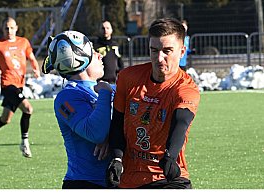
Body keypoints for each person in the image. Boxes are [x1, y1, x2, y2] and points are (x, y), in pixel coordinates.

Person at [106, 18, 200, 189]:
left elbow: (181, 122)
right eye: (154, 50)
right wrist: (117, 158)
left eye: (167, 51)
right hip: (129, 178)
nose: (159, 58)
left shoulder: (186, 88)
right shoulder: (128, 78)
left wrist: (170, 157)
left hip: (168, 176)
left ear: (182, 51)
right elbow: (117, 122)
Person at [42, 30, 114, 189]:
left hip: (116, 182)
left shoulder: (109, 88)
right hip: (84, 184)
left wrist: (112, 136)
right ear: (80, 58)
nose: (100, 56)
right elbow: (95, 132)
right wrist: (105, 94)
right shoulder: (67, 97)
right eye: (94, 52)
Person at [0, 17, 40, 158]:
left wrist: (36, 69)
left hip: (19, 85)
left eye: (11, 27)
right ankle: (24, 143)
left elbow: (32, 58)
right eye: (6, 28)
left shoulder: (23, 42)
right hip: (7, 85)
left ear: (16, 28)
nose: (9, 30)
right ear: (3, 29)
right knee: (28, 109)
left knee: (5, 119)